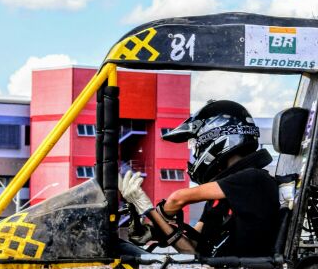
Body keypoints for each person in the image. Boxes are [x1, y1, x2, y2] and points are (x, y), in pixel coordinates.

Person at [117, 100, 280, 257]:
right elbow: (193, 250)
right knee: (119, 248)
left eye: (195, 144)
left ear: (213, 139)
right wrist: (152, 217)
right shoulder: (219, 200)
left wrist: (152, 216)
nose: (195, 152)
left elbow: (178, 198)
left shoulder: (255, 179)